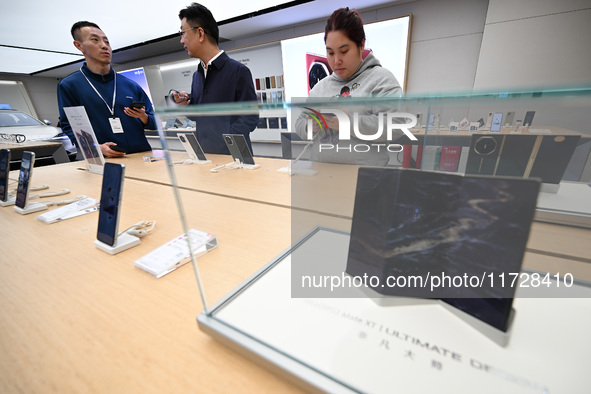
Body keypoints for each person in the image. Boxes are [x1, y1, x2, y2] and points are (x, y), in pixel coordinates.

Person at [295, 7, 402, 166]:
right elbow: (299, 123)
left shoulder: (381, 79)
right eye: (330, 53)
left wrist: (349, 122)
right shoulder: (320, 87)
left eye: (344, 51)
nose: (336, 61)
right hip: (320, 176)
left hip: (366, 179)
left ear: (361, 44)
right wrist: (310, 126)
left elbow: (397, 126)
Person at [57, 21, 156, 158]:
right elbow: (70, 126)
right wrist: (95, 147)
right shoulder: (70, 86)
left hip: (141, 155)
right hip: (103, 159)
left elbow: (154, 121)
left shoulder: (131, 85)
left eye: (107, 42)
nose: (104, 46)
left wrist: (143, 117)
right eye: (95, 40)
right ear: (79, 46)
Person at [173, 3, 259, 155]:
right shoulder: (197, 75)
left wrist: (225, 142)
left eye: (182, 33)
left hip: (234, 160)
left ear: (200, 33)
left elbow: (250, 118)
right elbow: (201, 116)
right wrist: (185, 107)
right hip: (205, 158)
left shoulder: (238, 71)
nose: (181, 41)